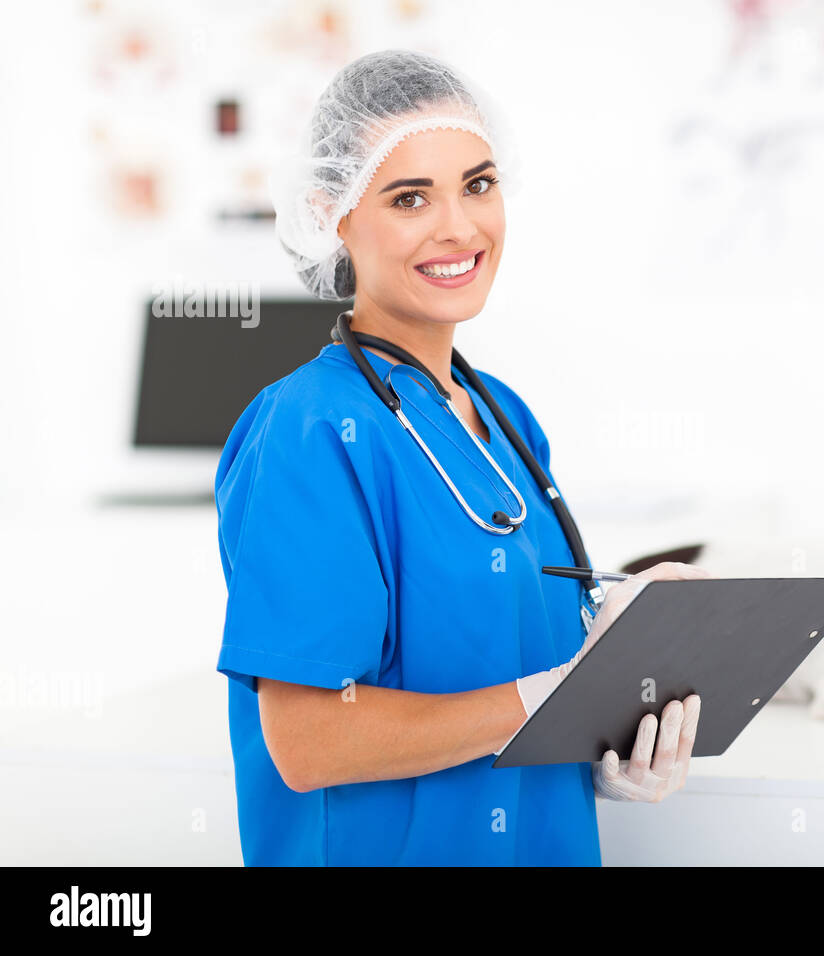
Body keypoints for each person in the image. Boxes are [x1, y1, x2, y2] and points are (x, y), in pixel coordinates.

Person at [214, 49, 710, 866]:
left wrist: (614, 700)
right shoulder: (306, 429)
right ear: (331, 213)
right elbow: (309, 740)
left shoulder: (503, 417)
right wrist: (548, 699)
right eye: (410, 197)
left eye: (478, 184)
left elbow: (511, 659)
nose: (458, 226)